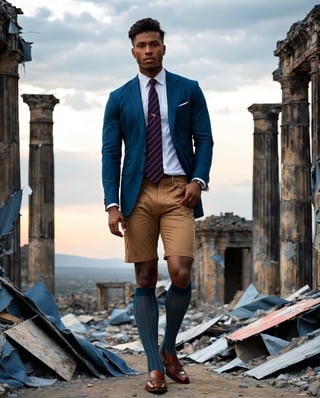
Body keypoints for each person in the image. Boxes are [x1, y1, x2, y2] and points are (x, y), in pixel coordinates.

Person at [102, 17, 213, 394]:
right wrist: (112, 204)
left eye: (154, 44)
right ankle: (154, 367)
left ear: (164, 47)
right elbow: (109, 153)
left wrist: (198, 179)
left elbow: (205, 140)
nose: (148, 50)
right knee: (145, 278)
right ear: (132, 51)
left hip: (180, 190)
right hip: (137, 194)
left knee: (180, 271)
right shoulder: (119, 98)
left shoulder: (189, 89)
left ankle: (168, 349)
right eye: (141, 45)